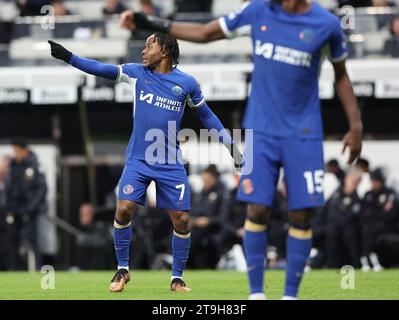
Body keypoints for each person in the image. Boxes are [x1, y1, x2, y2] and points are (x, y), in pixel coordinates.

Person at [119, 0, 363, 300]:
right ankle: (256, 295)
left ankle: (290, 296)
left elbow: (341, 74)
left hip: (304, 133)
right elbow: (206, 33)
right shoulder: (257, 11)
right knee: (257, 208)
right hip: (261, 131)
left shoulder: (326, 25)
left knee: (301, 216)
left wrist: (356, 125)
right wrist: (150, 23)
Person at [48, 34, 243, 293]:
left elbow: (208, 118)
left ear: (164, 50)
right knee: (124, 209)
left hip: (170, 163)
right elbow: (101, 68)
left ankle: (177, 278)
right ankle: (122, 270)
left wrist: (231, 147)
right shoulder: (137, 73)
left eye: (149, 45)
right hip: (138, 160)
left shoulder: (187, 83)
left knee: (182, 219)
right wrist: (69, 57)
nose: (143, 50)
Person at [4, 138, 47, 270]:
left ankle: (39, 268)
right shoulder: (12, 166)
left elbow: (41, 189)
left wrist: (30, 207)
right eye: (14, 150)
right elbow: (8, 187)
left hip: (29, 209)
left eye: (17, 150)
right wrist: (9, 207)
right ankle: (15, 269)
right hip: (14, 209)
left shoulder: (34, 165)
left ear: (24, 150)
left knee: (32, 239)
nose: (15, 153)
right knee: (12, 239)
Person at [360, 168, 398, 271]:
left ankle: (368, 258)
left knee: (370, 230)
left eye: (376, 181)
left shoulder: (390, 194)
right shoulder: (368, 195)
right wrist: (379, 212)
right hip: (370, 226)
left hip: (387, 226)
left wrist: (372, 213)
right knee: (366, 230)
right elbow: (363, 214)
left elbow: (390, 215)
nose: (374, 183)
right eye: (372, 181)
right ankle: (368, 258)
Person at [323, 168, 362, 268]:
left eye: (357, 182)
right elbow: (327, 212)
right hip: (333, 227)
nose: (354, 184)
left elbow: (356, 216)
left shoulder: (357, 197)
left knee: (349, 234)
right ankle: (330, 265)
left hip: (350, 228)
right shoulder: (335, 194)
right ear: (347, 179)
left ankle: (356, 265)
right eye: (353, 181)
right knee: (331, 233)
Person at [189, 164, 227, 269]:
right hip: (196, 226)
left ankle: (179, 259)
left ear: (214, 178)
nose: (205, 182)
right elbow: (193, 211)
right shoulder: (201, 194)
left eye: (208, 179)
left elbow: (223, 217)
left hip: (213, 228)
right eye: (204, 179)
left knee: (194, 234)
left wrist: (209, 221)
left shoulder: (222, 194)